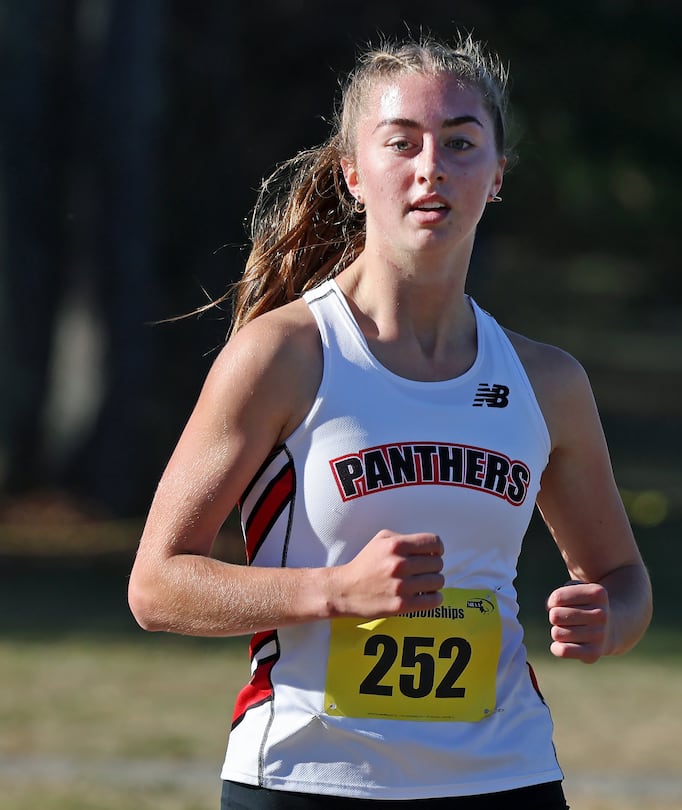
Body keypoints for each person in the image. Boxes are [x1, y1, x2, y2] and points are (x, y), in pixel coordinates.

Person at [126, 34, 651, 808]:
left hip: (504, 777)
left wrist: (612, 620)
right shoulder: (284, 355)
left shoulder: (548, 381)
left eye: (461, 143)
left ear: (498, 175)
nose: (431, 165)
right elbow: (157, 586)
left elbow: (623, 578)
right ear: (353, 173)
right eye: (401, 142)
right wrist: (335, 590)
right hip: (308, 777)